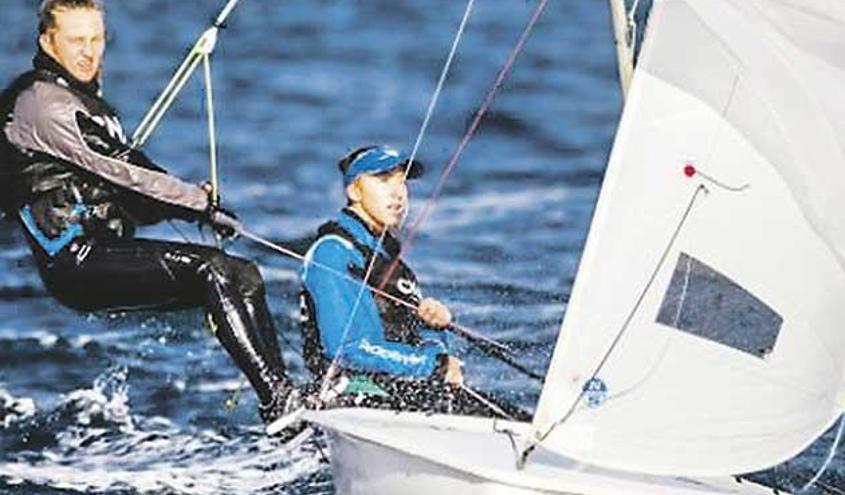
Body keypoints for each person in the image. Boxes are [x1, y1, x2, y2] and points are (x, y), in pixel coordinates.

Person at [0, 0, 298, 426]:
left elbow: (128, 194)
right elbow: (128, 173)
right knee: (212, 270)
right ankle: (277, 400)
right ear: (47, 42)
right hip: (74, 262)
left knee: (243, 273)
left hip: (103, 251)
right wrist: (198, 204)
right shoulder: (42, 104)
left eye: (96, 39)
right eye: (76, 41)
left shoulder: (85, 102)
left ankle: (288, 401)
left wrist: (194, 204)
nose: (89, 51)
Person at [299, 145, 529, 420]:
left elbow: (425, 347)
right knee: (515, 426)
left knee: (521, 420)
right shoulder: (333, 251)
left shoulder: (395, 266)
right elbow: (348, 349)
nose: (398, 194)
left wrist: (431, 327)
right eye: (383, 180)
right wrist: (432, 365)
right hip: (355, 401)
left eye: (402, 183)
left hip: (397, 393)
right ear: (354, 191)